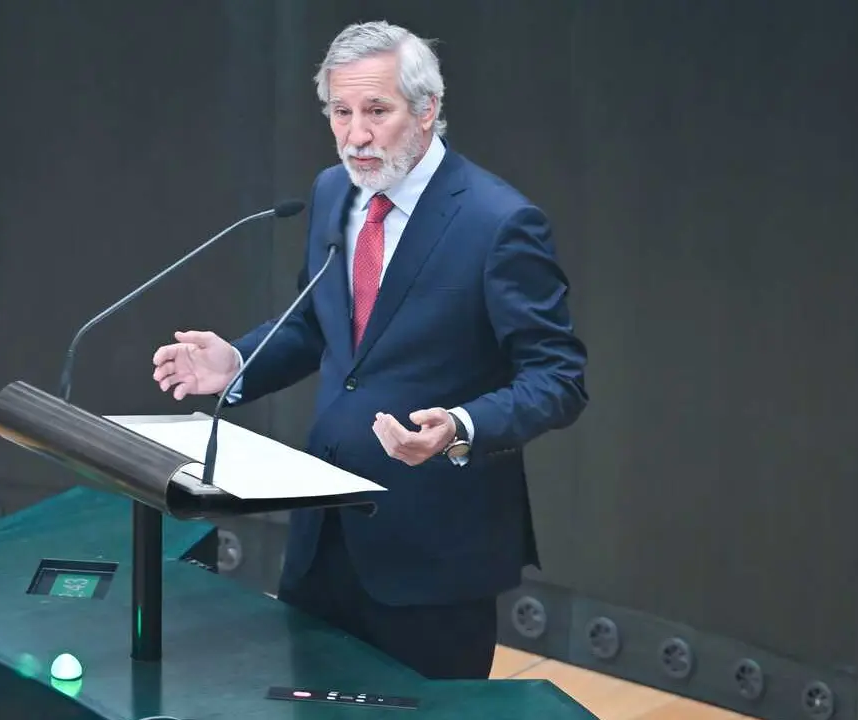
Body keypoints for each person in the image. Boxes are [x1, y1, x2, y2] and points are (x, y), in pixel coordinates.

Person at [151, 20, 587, 680]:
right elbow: (318, 327)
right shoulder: (334, 193)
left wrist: (460, 428)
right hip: (323, 534)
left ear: (427, 110)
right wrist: (238, 362)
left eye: (376, 111)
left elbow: (559, 377)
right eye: (340, 112)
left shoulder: (498, 224)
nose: (356, 134)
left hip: (434, 553)